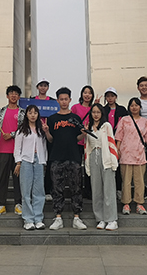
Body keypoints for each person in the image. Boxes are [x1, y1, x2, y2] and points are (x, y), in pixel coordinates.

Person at [43, 86, 87, 230]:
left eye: (66, 99)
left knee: (76, 188)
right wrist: (47, 132)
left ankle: (77, 217)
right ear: (57, 100)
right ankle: (58, 218)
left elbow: (78, 138)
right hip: (56, 158)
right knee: (57, 189)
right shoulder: (51, 119)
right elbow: (50, 140)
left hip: (73, 157)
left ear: (70, 100)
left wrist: (84, 133)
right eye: (61, 99)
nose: (63, 101)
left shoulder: (75, 118)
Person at [84, 103, 119, 230]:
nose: (96, 114)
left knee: (108, 190)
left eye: (98, 112)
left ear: (102, 113)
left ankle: (111, 219)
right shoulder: (88, 127)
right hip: (94, 158)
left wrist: (113, 161)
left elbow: (111, 143)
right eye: (93, 112)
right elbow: (87, 146)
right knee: (96, 190)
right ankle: (100, 218)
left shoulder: (106, 126)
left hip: (106, 158)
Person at [115, 97, 147, 215]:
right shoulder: (124, 120)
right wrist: (117, 150)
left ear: (140, 107)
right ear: (129, 107)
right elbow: (119, 136)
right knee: (126, 180)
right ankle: (126, 204)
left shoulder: (145, 122)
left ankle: (139, 204)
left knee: (139, 181)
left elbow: (146, 139)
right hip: (126, 154)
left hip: (139, 154)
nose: (134, 107)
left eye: (136, 105)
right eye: (132, 105)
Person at [14, 104, 48, 230]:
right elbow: (17, 148)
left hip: (39, 160)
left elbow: (44, 147)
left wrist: (44, 162)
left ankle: (38, 218)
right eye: (30, 113)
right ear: (26, 115)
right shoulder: (21, 130)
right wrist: (18, 162)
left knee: (39, 191)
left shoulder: (40, 130)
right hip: (26, 161)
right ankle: (28, 219)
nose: (33, 115)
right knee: (26, 190)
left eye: (35, 113)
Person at [0, 85, 25, 216]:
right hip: (3, 150)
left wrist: (11, 134)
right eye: (11, 93)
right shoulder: (0, 111)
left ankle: (18, 204)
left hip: (18, 150)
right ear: (7, 96)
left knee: (18, 178)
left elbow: (24, 128)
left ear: (19, 97)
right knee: (2, 178)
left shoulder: (22, 112)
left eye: (16, 93)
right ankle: (1, 204)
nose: (13, 95)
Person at [101, 87, 128, 199]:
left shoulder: (122, 109)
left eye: (112, 96)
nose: (110, 98)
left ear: (116, 97)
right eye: (108, 96)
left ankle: (118, 189)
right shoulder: (103, 109)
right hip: (105, 140)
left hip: (119, 140)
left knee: (116, 165)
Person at [71, 85, 96, 199]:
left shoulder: (94, 108)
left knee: (89, 167)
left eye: (89, 93)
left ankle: (89, 191)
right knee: (76, 166)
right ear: (81, 94)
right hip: (78, 141)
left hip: (90, 141)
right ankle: (77, 190)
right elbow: (70, 123)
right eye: (85, 92)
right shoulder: (75, 107)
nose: (87, 95)